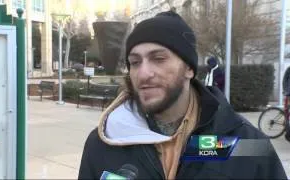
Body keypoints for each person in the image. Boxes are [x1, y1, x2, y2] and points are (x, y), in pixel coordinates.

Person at [78, 11, 287, 179]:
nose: (143, 73)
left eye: (158, 58)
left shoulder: (243, 144)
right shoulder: (105, 142)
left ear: (189, 69)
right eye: (135, 62)